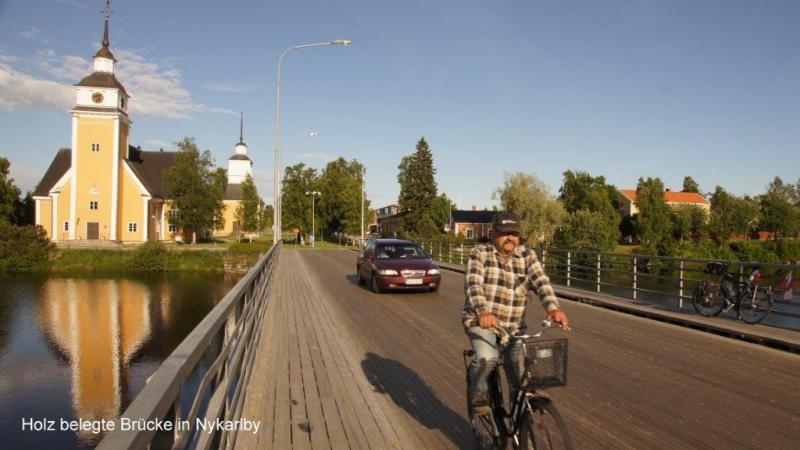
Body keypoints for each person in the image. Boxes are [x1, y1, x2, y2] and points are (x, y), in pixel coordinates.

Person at [463, 212, 569, 414]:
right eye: (505, 233)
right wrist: (483, 312)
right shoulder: (480, 253)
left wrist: (553, 308)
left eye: (514, 233)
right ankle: (477, 390)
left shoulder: (527, 255)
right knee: (487, 356)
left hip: (514, 328)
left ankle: (522, 425)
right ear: (493, 234)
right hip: (482, 322)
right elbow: (473, 284)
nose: (510, 238)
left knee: (522, 381)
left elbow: (541, 282)